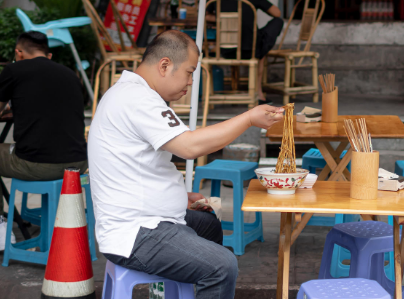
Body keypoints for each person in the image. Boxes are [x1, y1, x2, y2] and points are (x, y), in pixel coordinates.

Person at [88, 30, 283, 298]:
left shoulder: (132, 93)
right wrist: (248, 118)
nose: (190, 82)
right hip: (136, 232)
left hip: (145, 218)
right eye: (189, 72)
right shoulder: (137, 99)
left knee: (208, 224)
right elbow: (189, 146)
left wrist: (179, 197)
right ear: (165, 65)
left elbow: (143, 165)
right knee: (222, 266)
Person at [0, 31, 88, 211]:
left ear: (19, 53)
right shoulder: (70, 75)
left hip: (39, 164)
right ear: (47, 53)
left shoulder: (13, 70)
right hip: (79, 162)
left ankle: (1, 225)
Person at [207, 0, 284, 104]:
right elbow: (277, 13)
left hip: (225, 50)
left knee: (258, 44)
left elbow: (204, 15)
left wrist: (222, 18)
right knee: (274, 27)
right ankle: (259, 94)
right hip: (252, 51)